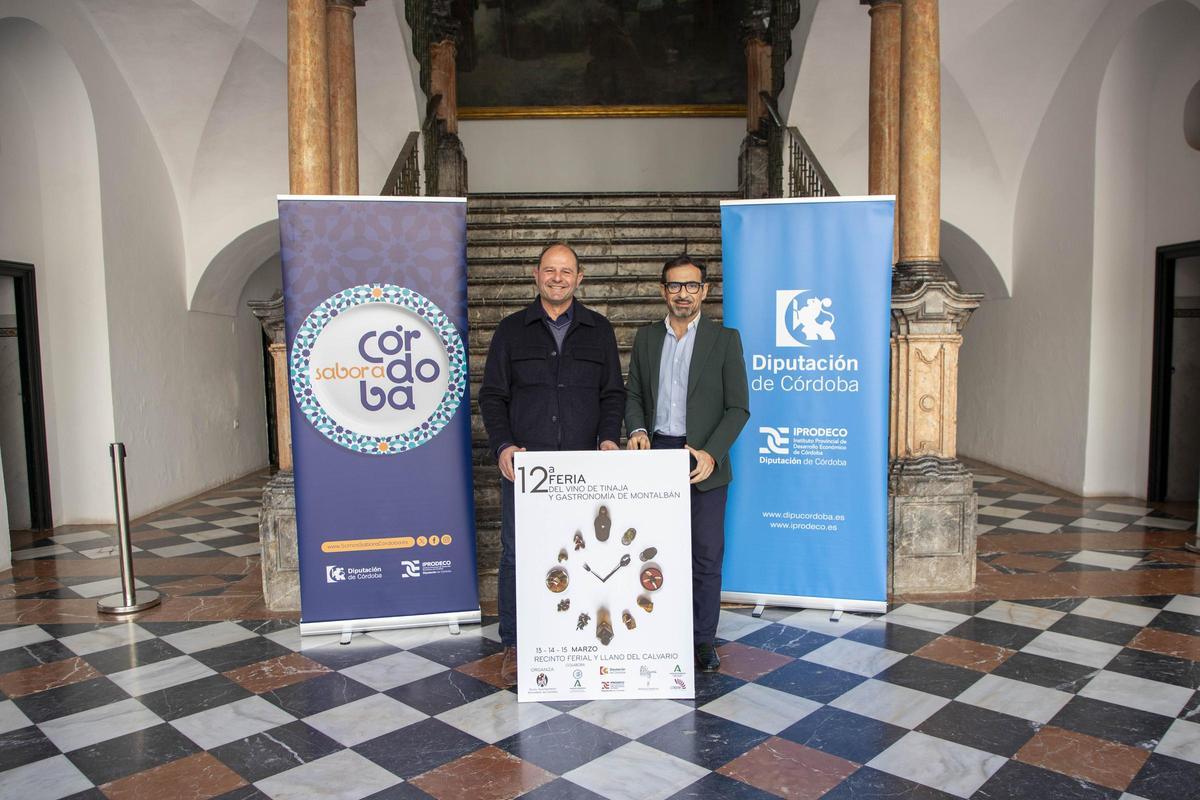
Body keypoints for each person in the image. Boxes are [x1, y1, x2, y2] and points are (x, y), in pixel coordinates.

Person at [478, 242, 625, 686]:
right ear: (535, 275)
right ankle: (515, 643)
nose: (557, 278)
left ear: (580, 278)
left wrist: (607, 439)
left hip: (585, 468)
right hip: (528, 470)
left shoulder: (599, 330)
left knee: (585, 553)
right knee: (517, 553)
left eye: (566, 271)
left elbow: (613, 394)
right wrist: (503, 446)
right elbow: (492, 396)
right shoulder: (511, 331)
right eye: (549, 270)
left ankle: (571, 635)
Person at [625, 254, 750, 672]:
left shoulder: (725, 339)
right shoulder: (645, 338)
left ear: (705, 291)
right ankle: (654, 630)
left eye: (691, 285)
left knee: (705, 554)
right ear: (663, 291)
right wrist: (637, 429)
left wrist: (711, 453)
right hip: (655, 454)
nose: (683, 293)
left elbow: (738, 408)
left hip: (702, 460)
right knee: (650, 550)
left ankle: (701, 640)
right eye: (675, 286)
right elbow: (635, 395)